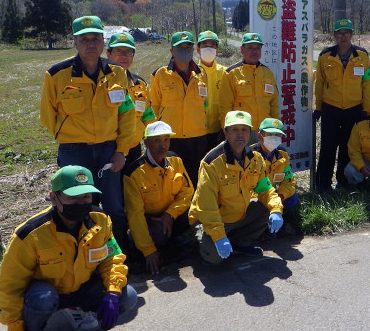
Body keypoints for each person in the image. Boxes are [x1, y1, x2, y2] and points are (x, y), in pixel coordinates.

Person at [0, 165, 137, 331]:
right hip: (46, 294)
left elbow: (112, 258)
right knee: (42, 298)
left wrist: (112, 292)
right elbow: (10, 285)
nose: (81, 203)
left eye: (86, 197)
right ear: (54, 198)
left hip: (81, 288)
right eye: (73, 197)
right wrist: (15, 330)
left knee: (127, 296)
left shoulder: (101, 220)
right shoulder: (29, 235)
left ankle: (76, 310)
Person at [40, 15, 135, 243]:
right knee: (78, 205)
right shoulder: (56, 75)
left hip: (108, 150)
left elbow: (127, 113)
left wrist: (121, 150)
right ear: (75, 42)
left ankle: (119, 252)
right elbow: (47, 116)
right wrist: (70, 136)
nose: (90, 44)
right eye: (84, 39)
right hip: (74, 152)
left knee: (113, 204)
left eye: (95, 38)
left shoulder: (117, 73)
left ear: (103, 42)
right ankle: (84, 252)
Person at [189, 111, 284, 265]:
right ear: (225, 132)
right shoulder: (211, 163)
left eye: (244, 129)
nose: (240, 135)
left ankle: (239, 243)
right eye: (234, 130)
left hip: (239, 215)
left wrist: (276, 210)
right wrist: (219, 236)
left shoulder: (255, 158)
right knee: (214, 257)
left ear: (250, 132)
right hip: (212, 219)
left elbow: (265, 190)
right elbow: (206, 207)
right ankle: (215, 241)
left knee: (267, 209)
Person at [123, 121, 193, 274]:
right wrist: (148, 251)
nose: (162, 145)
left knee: (195, 211)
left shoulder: (176, 161)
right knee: (158, 234)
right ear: (146, 142)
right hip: (151, 221)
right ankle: (149, 248)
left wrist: (170, 214)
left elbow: (187, 192)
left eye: (166, 140)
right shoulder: (134, 173)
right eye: (156, 140)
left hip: (170, 214)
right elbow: (135, 214)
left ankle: (173, 241)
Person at [313, 18, 370, 192]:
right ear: (334, 35)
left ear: (351, 34)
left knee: (348, 147)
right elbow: (319, 84)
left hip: (353, 109)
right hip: (330, 108)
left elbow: (368, 83)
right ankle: (322, 183)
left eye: (347, 32)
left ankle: (343, 181)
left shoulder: (362, 55)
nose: (343, 36)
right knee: (327, 147)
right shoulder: (325, 55)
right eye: (340, 33)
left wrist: (365, 108)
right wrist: (318, 108)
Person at [150, 31, 208, 188]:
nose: (184, 50)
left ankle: (194, 212)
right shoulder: (159, 75)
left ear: (193, 49)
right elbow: (153, 106)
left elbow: (205, 104)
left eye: (188, 46)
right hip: (170, 138)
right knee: (172, 181)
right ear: (171, 51)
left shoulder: (202, 74)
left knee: (196, 181)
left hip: (197, 137)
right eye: (180, 47)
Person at [218, 32, 279, 143]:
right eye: (250, 47)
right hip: (241, 131)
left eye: (257, 48)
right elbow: (225, 106)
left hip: (264, 130)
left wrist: (275, 126)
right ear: (242, 49)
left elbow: (273, 103)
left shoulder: (268, 73)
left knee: (264, 160)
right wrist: (226, 129)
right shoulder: (231, 74)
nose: (254, 51)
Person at [106, 31, 156, 164]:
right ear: (108, 54)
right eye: (119, 51)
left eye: (128, 52)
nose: (124, 56)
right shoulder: (101, 83)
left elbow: (147, 116)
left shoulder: (139, 84)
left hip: (134, 148)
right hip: (108, 149)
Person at [250, 118, 300, 231]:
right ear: (260, 136)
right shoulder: (250, 155)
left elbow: (289, 182)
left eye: (277, 135)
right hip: (257, 197)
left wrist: (280, 196)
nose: (274, 138)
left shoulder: (283, 154)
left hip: (275, 196)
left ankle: (283, 224)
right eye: (269, 134)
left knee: (292, 197)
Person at [197, 30, 227, 150]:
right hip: (197, 131)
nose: (209, 49)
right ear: (198, 49)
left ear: (217, 50)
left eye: (212, 46)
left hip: (219, 130)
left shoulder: (225, 73)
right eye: (205, 46)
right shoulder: (192, 72)